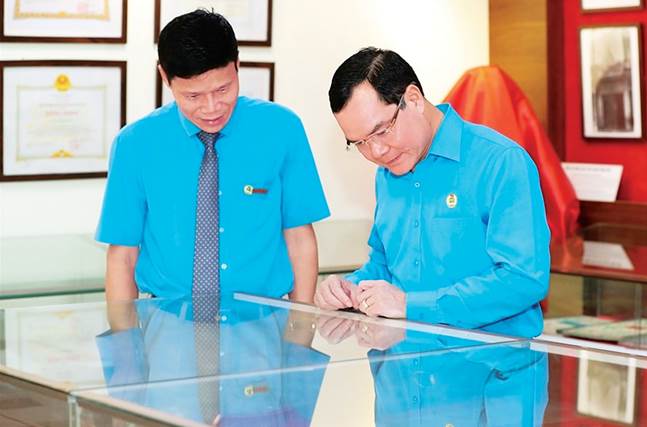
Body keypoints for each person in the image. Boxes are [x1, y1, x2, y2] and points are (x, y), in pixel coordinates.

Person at [315, 47, 550, 337]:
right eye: (360, 142)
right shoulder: (387, 174)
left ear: (412, 99)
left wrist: (411, 305)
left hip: (492, 368)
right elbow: (386, 266)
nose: (376, 151)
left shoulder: (500, 162)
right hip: (404, 366)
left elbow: (523, 279)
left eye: (381, 131)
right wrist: (350, 288)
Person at [96, 10, 329, 303]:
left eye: (223, 89)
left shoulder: (282, 129)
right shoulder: (134, 144)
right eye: (193, 96)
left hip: (264, 324)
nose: (211, 108)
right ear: (164, 77)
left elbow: (299, 238)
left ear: (237, 65)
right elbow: (122, 257)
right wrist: (123, 344)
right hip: (167, 325)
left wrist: (300, 333)